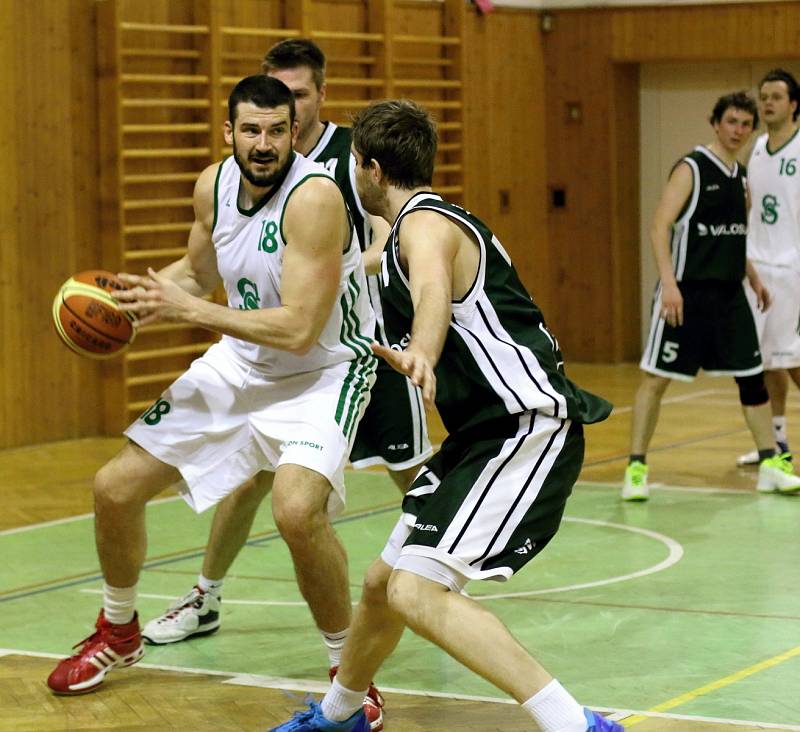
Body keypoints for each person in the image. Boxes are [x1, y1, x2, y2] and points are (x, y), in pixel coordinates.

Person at [269, 99, 620, 732]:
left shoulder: (424, 227)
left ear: (371, 170)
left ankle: (575, 724)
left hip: (525, 430)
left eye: (351, 163)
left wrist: (423, 352)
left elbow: (431, 288)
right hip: (483, 437)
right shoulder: (412, 227)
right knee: (381, 584)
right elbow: (391, 272)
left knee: (415, 590)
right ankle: (340, 715)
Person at [45, 75, 378, 700]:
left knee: (296, 513)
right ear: (228, 132)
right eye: (251, 129)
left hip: (321, 372)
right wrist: (136, 301)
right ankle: (118, 631)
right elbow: (200, 274)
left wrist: (188, 311)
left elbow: (302, 328)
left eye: (277, 130)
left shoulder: (316, 199)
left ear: (294, 134)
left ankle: (350, 677)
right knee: (113, 488)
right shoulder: (214, 185)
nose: (264, 143)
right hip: (242, 359)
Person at [138, 41, 430, 729]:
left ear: (318, 99)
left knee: (408, 469)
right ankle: (206, 595)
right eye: (272, 95)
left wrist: (361, 256)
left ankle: (436, 575)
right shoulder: (245, 165)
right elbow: (203, 263)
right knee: (250, 481)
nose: (282, 110)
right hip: (273, 353)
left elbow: (397, 217)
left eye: (295, 96)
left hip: (353, 346)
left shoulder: (351, 153)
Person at [622, 91, 800, 502]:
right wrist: (668, 283)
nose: (738, 130)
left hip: (730, 294)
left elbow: (735, 239)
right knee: (655, 380)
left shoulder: (741, 178)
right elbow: (659, 226)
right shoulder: (692, 168)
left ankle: (770, 462)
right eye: (731, 122)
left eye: (745, 124)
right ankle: (636, 466)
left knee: (752, 376)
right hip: (686, 293)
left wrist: (752, 278)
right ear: (716, 123)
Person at [736, 69, 800, 467]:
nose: (767, 102)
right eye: (763, 96)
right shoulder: (757, 147)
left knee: (793, 360)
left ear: (794, 104)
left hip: (793, 270)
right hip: (758, 270)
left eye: (776, 96)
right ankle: (777, 441)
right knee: (765, 361)